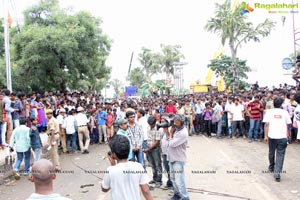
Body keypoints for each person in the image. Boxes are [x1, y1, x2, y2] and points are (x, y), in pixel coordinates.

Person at [101, 134, 153, 200]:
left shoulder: (111, 170)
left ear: (113, 154)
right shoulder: (138, 167)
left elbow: (104, 189)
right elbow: (146, 191)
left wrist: (113, 165)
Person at [263, 97, 291, 182]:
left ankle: (272, 166)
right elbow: (289, 124)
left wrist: (265, 136)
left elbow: (266, 125)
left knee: (271, 152)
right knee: (280, 155)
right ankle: (277, 173)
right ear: (281, 104)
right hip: (282, 136)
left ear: (273, 103)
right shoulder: (285, 112)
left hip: (272, 136)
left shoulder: (269, 112)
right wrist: (288, 135)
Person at [164, 114, 190, 200]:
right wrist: (167, 131)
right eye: (174, 121)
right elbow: (168, 139)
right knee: (173, 179)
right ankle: (177, 194)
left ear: (182, 123)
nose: (174, 123)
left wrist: (171, 132)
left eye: (177, 122)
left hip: (178, 159)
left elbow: (172, 144)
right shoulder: (176, 129)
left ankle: (185, 197)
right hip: (171, 157)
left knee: (180, 181)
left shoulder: (183, 133)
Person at [143, 116, 163, 188]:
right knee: (152, 165)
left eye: (152, 124)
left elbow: (157, 142)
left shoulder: (158, 128)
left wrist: (148, 149)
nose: (150, 125)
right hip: (149, 148)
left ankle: (159, 181)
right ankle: (155, 178)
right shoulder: (149, 127)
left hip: (155, 149)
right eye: (149, 124)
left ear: (154, 123)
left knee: (158, 165)